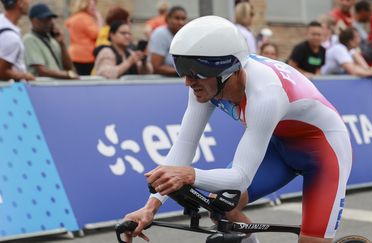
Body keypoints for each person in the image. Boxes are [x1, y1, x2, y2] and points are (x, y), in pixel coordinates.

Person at [123, 16, 353, 243]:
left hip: (324, 152)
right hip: (279, 146)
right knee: (222, 206)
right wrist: (149, 208)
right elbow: (184, 146)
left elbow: (240, 178)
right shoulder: (205, 86)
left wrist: (190, 175)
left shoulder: (266, 94)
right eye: (182, 69)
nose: (188, 81)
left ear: (226, 69)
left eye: (195, 72)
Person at [23, 3, 78, 79]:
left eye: (49, 19)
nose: (47, 23)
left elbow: (69, 68)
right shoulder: (29, 40)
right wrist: (68, 75)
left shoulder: (53, 41)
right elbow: (42, 70)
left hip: (56, 85)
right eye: (42, 19)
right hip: (41, 86)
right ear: (32, 20)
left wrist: (62, 44)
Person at [65, 0, 103, 75]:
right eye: (92, 6)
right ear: (85, 5)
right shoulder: (85, 18)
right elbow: (98, 34)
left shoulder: (74, 17)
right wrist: (99, 19)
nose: (95, 9)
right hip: (86, 56)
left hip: (74, 54)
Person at [0, 0, 34, 81]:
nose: (29, 2)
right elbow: (1, 72)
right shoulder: (11, 37)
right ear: (20, 4)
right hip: (11, 91)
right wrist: (25, 76)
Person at [147, 6, 187, 76]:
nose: (181, 22)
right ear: (167, 19)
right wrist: (185, 72)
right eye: (177, 18)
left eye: (183, 19)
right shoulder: (160, 34)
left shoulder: (185, 34)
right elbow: (156, 67)